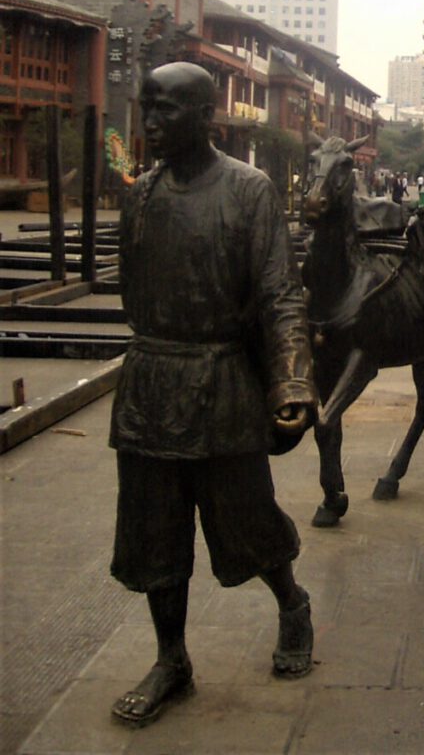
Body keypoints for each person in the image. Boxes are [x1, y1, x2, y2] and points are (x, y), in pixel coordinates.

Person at [109, 62, 318, 727]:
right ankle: (171, 659)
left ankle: (292, 602)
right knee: (153, 535)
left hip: (221, 383)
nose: (152, 125)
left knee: (245, 519)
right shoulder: (139, 196)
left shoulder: (247, 190)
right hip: (150, 384)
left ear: (206, 117)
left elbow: (280, 291)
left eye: (166, 110)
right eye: (148, 109)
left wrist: (290, 381)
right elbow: (133, 287)